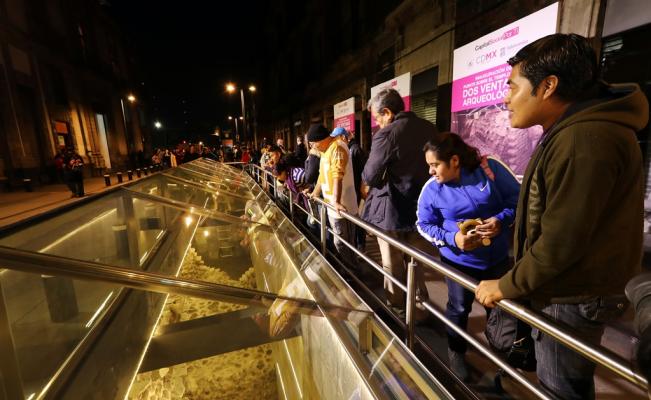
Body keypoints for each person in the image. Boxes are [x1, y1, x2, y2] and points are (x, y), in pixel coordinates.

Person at [474, 33, 649, 400]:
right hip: (569, 287)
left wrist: (504, 286)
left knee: (561, 389)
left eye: (513, 87)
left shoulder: (583, 140)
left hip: (569, 293)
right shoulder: (578, 131)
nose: (506, 98)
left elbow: (561, 241)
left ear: (548, 86)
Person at [416, 133, 519, 380]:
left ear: (454, 160)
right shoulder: (432, 189)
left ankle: (501, 363)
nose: (430, 172)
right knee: (459, 309)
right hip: (458, 263)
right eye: (428, 165)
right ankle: (456, 353)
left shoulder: (489, 169)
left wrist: (501, 221)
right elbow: (423, 224)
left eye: (434, 165)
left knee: (500, 311)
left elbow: (518, 200)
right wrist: (454, 239)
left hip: (497, 260)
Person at [362, 88, 439, 315]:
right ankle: (420, 307)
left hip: (392, 210)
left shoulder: (387, 134)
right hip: (422, 208)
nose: (378, 124)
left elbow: (370, 176)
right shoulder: (430, 128)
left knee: (392, 263)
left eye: (378, 118)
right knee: (416, 262)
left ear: (387, 112)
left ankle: (397, 308)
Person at [304, 124, 358, 262]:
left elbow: (337, 175)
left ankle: (352, 271)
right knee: (340, 242)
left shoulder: (337, 147)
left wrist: (337, 201)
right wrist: (314, 193)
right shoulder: (325, 150)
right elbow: (322, 176)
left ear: (321, 139)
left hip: (343, 207)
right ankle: (348, 269)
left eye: (313, 143)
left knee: (343, 243)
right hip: (332, 207)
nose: (312, 147)